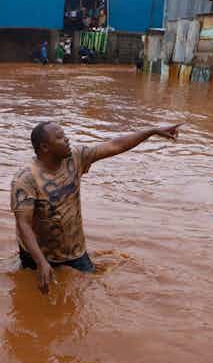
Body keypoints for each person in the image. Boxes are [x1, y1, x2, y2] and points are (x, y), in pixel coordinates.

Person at [10, 121, 182, 294]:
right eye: (61, 137)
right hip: (37, 255)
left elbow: (115, 145)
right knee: (30, 297)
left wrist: (151, 131)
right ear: (45, 147)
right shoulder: (25, 179)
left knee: (84, 295)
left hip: (74, 252)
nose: (67, 139)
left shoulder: (75, 158)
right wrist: (41, 262)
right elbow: (23, 224)